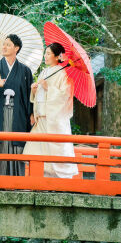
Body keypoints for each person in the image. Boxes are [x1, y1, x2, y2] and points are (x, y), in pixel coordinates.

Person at [0, 34, 34, 176]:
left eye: (8, 45)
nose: (3, 47)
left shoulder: (25, 71)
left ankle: (16, 182)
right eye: (3, 44)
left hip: (18, 115)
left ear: (16, 48)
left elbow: (30, 97)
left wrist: (32, 113)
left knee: (16, 144)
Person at [23, 42, 79, 178]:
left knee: (54, 149)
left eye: (48, 53)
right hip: (41, 116)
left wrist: (49, 87)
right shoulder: (44, 72)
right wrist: (34, 91)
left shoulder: (63, 74)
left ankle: (58, 179)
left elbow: (65, 95)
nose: (45, 56)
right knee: (37, 148)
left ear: (57, 56)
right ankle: (41, 177)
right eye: (45, 53)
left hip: (54, 119)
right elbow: (39, 97)